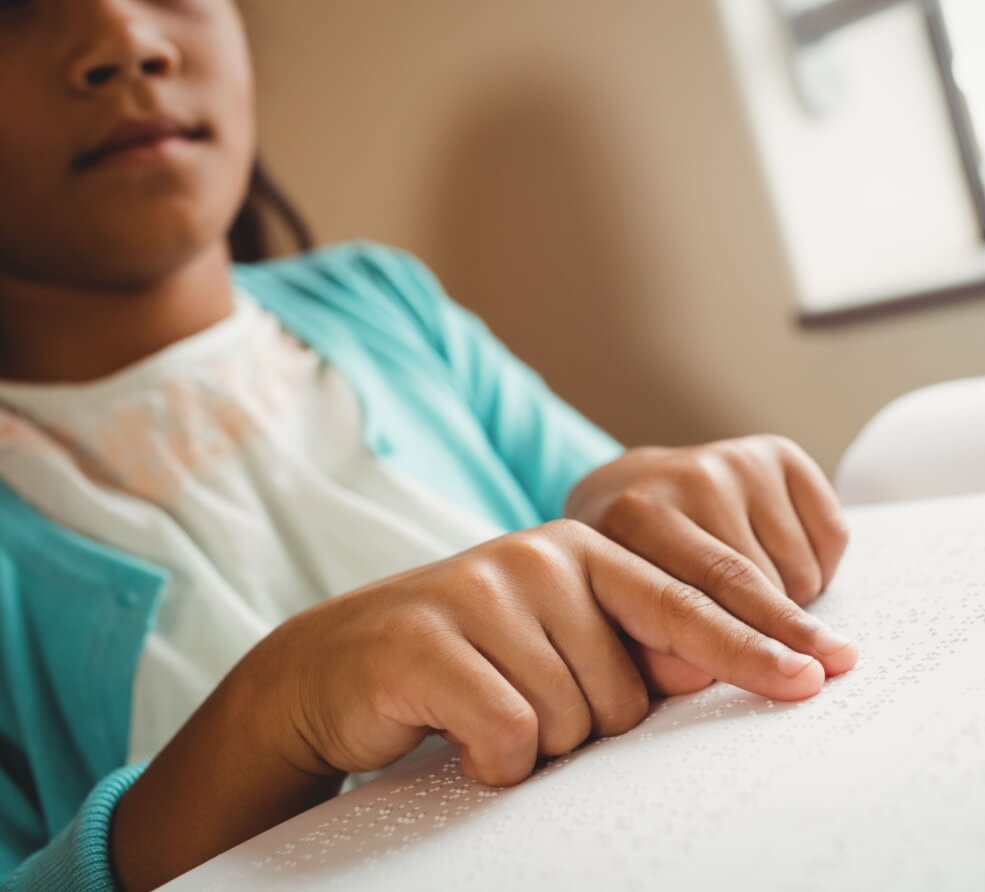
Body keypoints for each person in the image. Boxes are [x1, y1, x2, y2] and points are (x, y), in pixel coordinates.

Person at [0, 2, 859, 890]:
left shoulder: (381, 302)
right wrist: (272, 712)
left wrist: (642, 501)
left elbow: (604, 510)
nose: (127, 42)